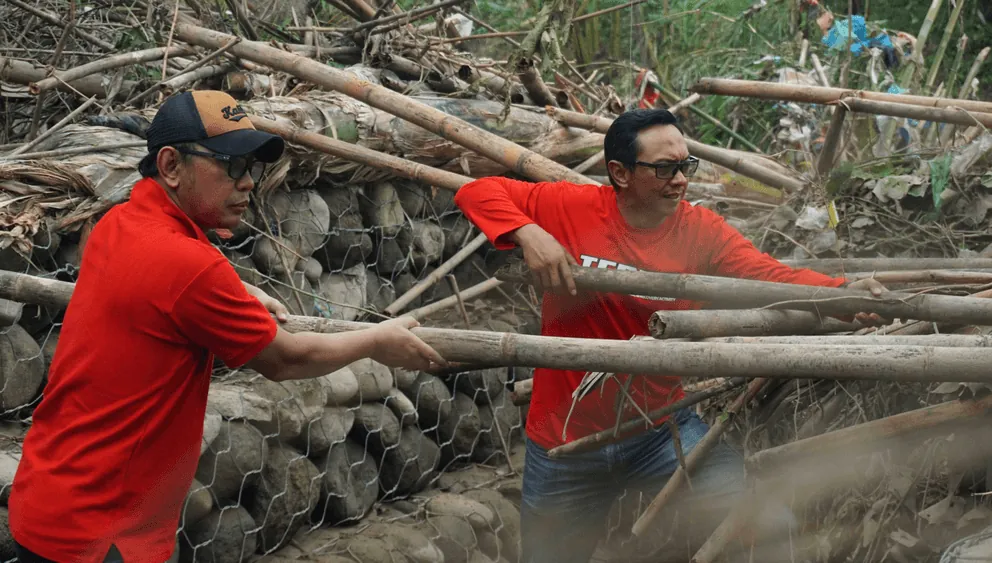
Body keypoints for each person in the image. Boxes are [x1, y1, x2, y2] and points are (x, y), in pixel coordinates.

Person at [8, 91, 448, 563]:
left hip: (49, 500)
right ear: (172, 165)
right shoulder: (189, 267)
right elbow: (285, 359)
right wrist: (377, 341)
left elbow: (171, 278)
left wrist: (242, 289)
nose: (248, 184)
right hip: (104, 535)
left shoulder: (120, 222)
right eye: (232, 165)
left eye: (253, 167)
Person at [454, 108, 886, 563]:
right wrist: (528, 232)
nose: (680, 180)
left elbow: (768, 276)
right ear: (619, 173)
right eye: (664, 169)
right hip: (563, 440)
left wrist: (841, 294)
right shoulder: (570, 207)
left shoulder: (702, 233)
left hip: (660, 431)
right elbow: (475, 190)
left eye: (685, 166)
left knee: (767, 527)